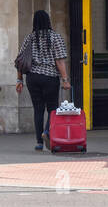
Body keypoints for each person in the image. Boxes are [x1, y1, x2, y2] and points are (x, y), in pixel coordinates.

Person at [15, 11, 71, 151]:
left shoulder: (30, 38)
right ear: (48, 21)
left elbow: (20, 61)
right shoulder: (55, 37)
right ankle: (46, 132)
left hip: (32, 78)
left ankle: (39, 142)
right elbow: (59, 61)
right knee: (52, 108)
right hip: (50, 77)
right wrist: (65, 80)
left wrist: (19, 80)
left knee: (38, 109)